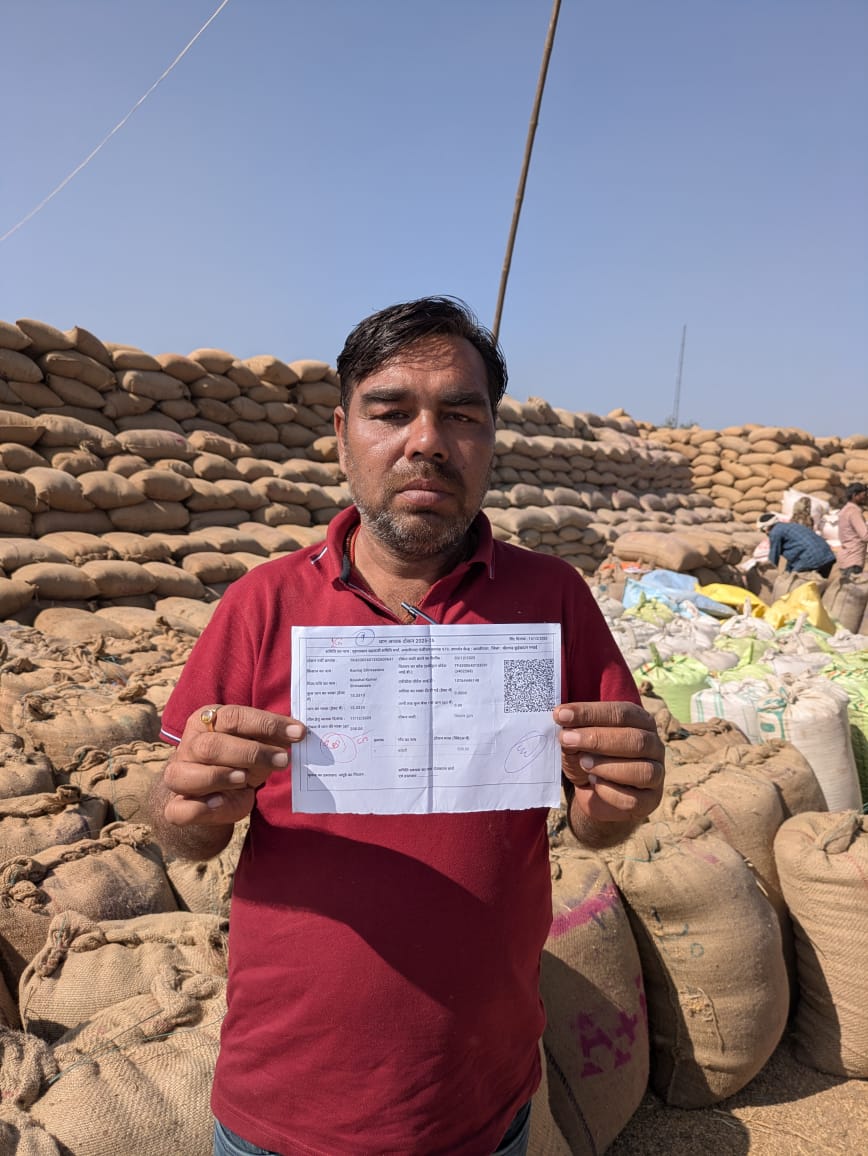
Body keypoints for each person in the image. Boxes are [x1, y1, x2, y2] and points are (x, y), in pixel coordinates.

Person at [149, 296, 664, 1156]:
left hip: (479, 1100)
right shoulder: (262, 604)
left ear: (492, 437)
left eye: (461, 415)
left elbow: (595, 819)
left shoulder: (553, 599)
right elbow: (180, 829)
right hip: (284, 1105)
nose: (427, 441)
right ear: (342, 433)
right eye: (391, 412)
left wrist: (618, 804)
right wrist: (187, 806)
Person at [757, 511, 837, 579]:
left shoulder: (775, 532)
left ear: (765, 528)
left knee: (794, 583)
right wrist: (787, 573)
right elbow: (793, 558)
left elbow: (773, 558)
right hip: (828, 556)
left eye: (763, 531)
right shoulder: (791, 526)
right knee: (820, 586)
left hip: (812, 559)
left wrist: (768, 574)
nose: (766, 534)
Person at [836, 481, 868, 576]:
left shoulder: (845, 510)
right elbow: (865, 536)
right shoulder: (854, 512)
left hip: (846, 557)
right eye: (864, 495)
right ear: (854, 495)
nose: (866, 498)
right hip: (853, 559)